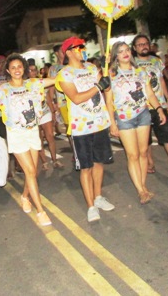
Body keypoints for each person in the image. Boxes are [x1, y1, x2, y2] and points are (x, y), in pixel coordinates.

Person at [0, 53, 54, 227]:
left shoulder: (33, 83)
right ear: (8, 71)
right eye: (13, 67)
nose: (17, 70)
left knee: (33, 172)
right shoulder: (4, 89)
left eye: (19, 66)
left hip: (32, 132)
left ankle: (25, 196)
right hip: (16, 135)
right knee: (30, 171)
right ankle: (40, 211)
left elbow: (56, 80)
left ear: (24, 68)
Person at [55, 37, 115, 222]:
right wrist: (98, 86)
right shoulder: (64, 74)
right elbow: (76, 98)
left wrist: (106, 72)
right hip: (81, 128)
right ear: (69, 52)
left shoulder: (91, 67)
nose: (83, 49)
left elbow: (106, 88)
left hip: (99, 124)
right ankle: (90, 206)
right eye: (79, 47)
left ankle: (98, 197)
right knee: (86, 167)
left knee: (99, 163)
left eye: (83, 46)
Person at [105, 41, 166, 204]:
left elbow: (150, 94)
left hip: (143, 115)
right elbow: (108, 101)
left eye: (127, 50)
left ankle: (143, 186)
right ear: (115, 56)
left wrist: (159, 109)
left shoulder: (140, 71)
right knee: (132, 155)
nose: (125, 53)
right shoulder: (110, 74)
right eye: (120, 51)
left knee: (143, 152)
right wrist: (112, 123)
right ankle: (140, 191)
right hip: (124, 118)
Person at [132, 35, 168, 175]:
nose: (144, 46)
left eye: (145, 43)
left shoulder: (156, 61)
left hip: (160, 105)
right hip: (142, 107)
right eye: (140, 44)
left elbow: (161, 80)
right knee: (145, 139)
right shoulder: (132, 63)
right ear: (134, 48)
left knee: (167, 134)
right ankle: (150, 163)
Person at [29, 62, 63, 170]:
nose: (32, 72)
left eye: (34, 70)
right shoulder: (24, 85)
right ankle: (44, 162)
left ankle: (55, 160)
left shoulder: (41, 82)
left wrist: (53, 113)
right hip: (33, 116)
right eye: (30, 70)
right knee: (38, 139)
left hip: (45, 112)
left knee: (50, 136)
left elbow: (48, 98)